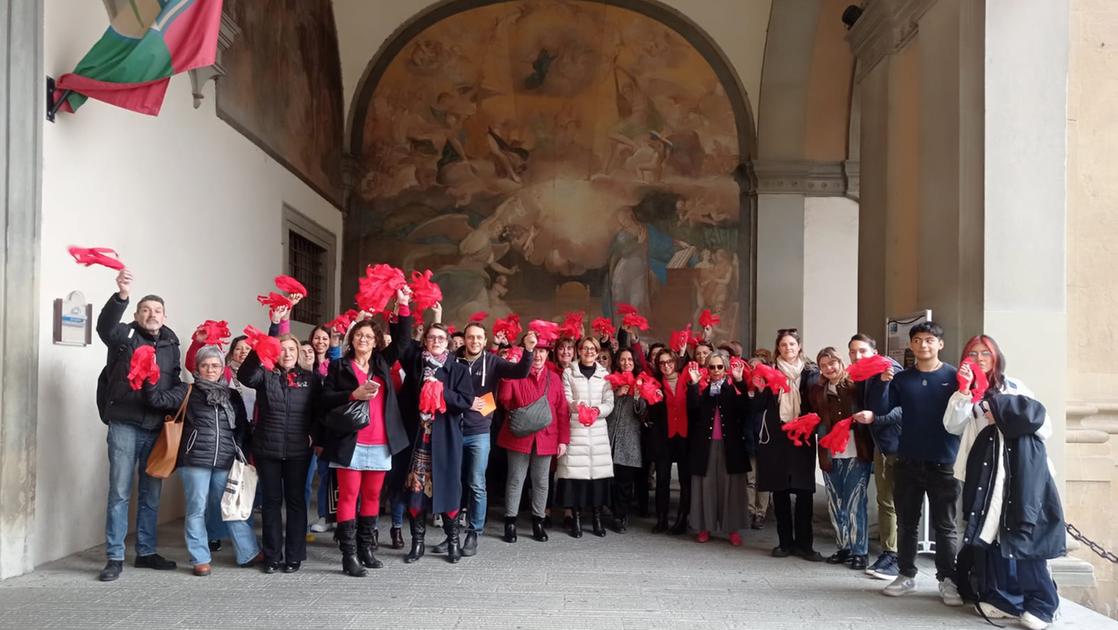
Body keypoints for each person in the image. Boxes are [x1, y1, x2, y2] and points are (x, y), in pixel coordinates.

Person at [95, 268, 182, 581]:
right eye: (145, 310)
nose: (152, 314)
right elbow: (104, 327)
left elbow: (175, 381)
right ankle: (114, 557)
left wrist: (170, 400)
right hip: (124, 424)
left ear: (164, 314)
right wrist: (121, 295)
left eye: (157, 310)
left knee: (151, 493)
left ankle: (145, 551)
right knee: (119, 491)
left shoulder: (171, 343)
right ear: (136, 313)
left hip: (155, 426)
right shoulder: (124, 336)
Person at [868, 321, 963, 605]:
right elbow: (883, 410)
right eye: (918, 340)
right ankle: (906, 573)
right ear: (911, 345)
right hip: (907, 458)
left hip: (944, 461)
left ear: (940, 344)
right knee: (907, 522)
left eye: (930, 340)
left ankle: (947, 579)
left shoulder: (954, 376)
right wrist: (883, 385)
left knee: (945, 525)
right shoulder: (902, 378)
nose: (924, 345)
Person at [143, 345, 260, 575]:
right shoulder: (187, 391)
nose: (210, 369)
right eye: (205, 365)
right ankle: (200, 558)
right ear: (197, 368)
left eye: (215, 365)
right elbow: (157, 400)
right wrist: (150, 376)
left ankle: (248, 553)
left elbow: (242, 428)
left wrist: (243, 453)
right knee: (196, 508)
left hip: (226, 459)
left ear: (222, 368)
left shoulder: (232, 395)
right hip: (194, 459)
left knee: (232, 506)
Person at [430, 322, 534, 558]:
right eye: (470, 337)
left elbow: (520, 372)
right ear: (464, 339)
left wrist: (528, 350)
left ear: (485, 341)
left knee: (476, 483)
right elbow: (437, 387)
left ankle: (474, 533)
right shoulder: (451, 361)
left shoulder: (493, 362)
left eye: (479, 337)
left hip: (479, 432)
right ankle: (452, 533)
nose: (474, 341)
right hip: (453, 430)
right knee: (454, 483)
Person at [961, 394, 1063, 630]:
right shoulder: (990, 435)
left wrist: (1026, 515)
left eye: (988, 409)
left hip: (1024, 511)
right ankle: (1005, 602)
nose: (984, 414)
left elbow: (1032, 480)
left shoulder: (1028, 440)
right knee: (997, 554)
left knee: (1029, 560)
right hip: (996, 511)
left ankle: (1044, 607)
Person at [319, 319, 410, 576]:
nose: (364, 340)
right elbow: (324, 399)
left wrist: (402, 308)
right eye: (359, 335)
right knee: (349, 496)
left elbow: (402, 340)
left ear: (376, 341)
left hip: (380, 441)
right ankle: (349, 556)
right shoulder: (339, 366)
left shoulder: (381, 363)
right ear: (352, 339)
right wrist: (352, 395)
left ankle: (365, 548)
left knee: (372, 497)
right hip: (351, 442)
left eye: (369, 336)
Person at [390, 288, 475, 564]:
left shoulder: (459, 369)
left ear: (448, 342)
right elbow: (402, 342)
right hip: (418, 438)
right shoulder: (416, 362)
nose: (436, 341)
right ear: (424, 341)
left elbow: (465, 400)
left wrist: (441, 393)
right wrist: (403, 306)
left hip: (445, 439)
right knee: (415, 491)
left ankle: (452, 542)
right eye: (431, 337)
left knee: (449, 490)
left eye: (441, 338)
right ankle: (417, 544)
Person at [238, 332, 321, 574]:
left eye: (292, 350)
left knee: (296, 502)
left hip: (298, 450)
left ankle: (294, 556)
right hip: (267, 448)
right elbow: (245, 375)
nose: (287, 354)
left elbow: (318, 410)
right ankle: (272, 555)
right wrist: (261, 348)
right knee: (272, 503)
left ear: (298, 354)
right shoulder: (265, 374)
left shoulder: (311, 379)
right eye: (282, 349)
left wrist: (313, 434)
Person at [749, 328, 822, 561]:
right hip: (777, 437)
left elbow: (819, 403)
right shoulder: (769, 372)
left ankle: (804, 545)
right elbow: (758, 406)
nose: (788, 349)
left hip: (802, 436)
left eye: (792, 344)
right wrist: (758, 390)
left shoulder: (812, 373)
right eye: (783, 345)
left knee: (804, 492)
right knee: (779, 490)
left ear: (799, 347)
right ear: (777, 348)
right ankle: (784, 542)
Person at [496, 335, 569, 543]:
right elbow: (505, 401)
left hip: (547, 437)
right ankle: (510, 521)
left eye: (543, 351)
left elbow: (562, 411)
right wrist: (508, 377)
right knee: (515, 479)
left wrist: (563, 440)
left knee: (541, 481)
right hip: (518, 435)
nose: (538, 354)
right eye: (535, 350)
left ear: (547, 354)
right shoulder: (517, 374)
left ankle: (538, 521)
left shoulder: (554, 378)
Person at [811, 348, 875, 571]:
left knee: (855, 503)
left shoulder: (856, 386)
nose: (829, 368)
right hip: (830, 453)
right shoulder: (818, 391)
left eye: (833, 363)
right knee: (835, 502)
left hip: (856, 451)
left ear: (840, 362)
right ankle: (844, 546)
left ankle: (860, 551)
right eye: (824, 365)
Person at [848, 333, 901, 580]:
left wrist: (877, 419)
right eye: (853, 352)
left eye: (862, 351)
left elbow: (901, 410)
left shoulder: (890, 370)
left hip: (899, 445)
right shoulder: (863, 377)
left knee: (898, 500)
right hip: (881, 445)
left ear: (874, 351)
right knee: (884, 499)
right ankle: (890, 552)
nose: (857, 356)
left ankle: (898, 556)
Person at [686, 351, 751, 545]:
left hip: (730, 446)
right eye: (712, 367)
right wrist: (694, 384)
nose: (715, 370)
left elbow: (745, 409)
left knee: (731, 488)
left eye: (719, 367)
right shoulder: (703, 390)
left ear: (726, 369)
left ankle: (732, 530)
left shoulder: (733, 389)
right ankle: (704, 528)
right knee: (705, 486)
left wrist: (739, 381)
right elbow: (692, 409)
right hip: (705, 447)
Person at [555, 337, 616, 538]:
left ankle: (597, 519)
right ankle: (577, 519)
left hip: (597, 431)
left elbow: (609, 402)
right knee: (576, 479)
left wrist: (597, 410)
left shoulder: (604, 375)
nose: (589, 351)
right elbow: (565, 398)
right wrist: (577, 407)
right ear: (579, 351)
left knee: (597, 478)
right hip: (576, 429)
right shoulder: (569, 372)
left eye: (593, 349)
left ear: (597, 353)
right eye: (585, 348)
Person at [648, 348, 691, 534]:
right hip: (664, 437)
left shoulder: (688, 380)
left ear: (676, 362)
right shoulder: (655, 383)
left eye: (669, 362)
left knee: (685, 480)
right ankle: (662, 518)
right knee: (662, 479)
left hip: (685, 435)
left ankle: (682, 519)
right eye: (662, 363)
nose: (666, 366)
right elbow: (652, 414)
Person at [605, 348, 647, 533]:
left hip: (630, 440)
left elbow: (643, 413)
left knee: (625, 482)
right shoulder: (609, 382)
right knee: (610, 480)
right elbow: (604, 410)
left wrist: (637, 395)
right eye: (622, 359)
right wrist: (616, 395)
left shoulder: (641, 381)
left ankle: (620, 516)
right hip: (609, 438)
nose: (626, 363)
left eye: (629, 359)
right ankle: (613, 510)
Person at [744, 356, 771, 530]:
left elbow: (764, 409)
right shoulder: (744, 389)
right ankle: (750, 511)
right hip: (749, 439)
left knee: (764, 480)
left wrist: (760, 390)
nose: (754, 370)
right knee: (750, 479)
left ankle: (761, 512)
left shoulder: (770, 390)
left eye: (758, 367)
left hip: (765, 440)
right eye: (751, 366)